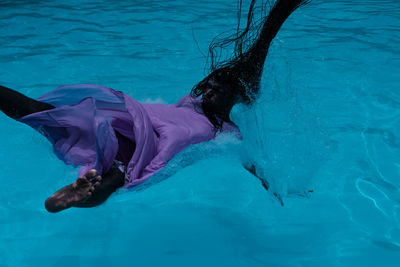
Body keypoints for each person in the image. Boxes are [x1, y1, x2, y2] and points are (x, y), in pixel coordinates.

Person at [0, 0, 309, 213]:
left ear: (235, 97)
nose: (210, 90)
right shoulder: (190, 103)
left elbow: (250, 164)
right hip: (127, 123)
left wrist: (279, 188)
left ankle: (78, 195)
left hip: (141, 148)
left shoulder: (227, 133)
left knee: (116, 176)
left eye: (220, 89)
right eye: (209, 85)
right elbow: (169, 121)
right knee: (46, 114)